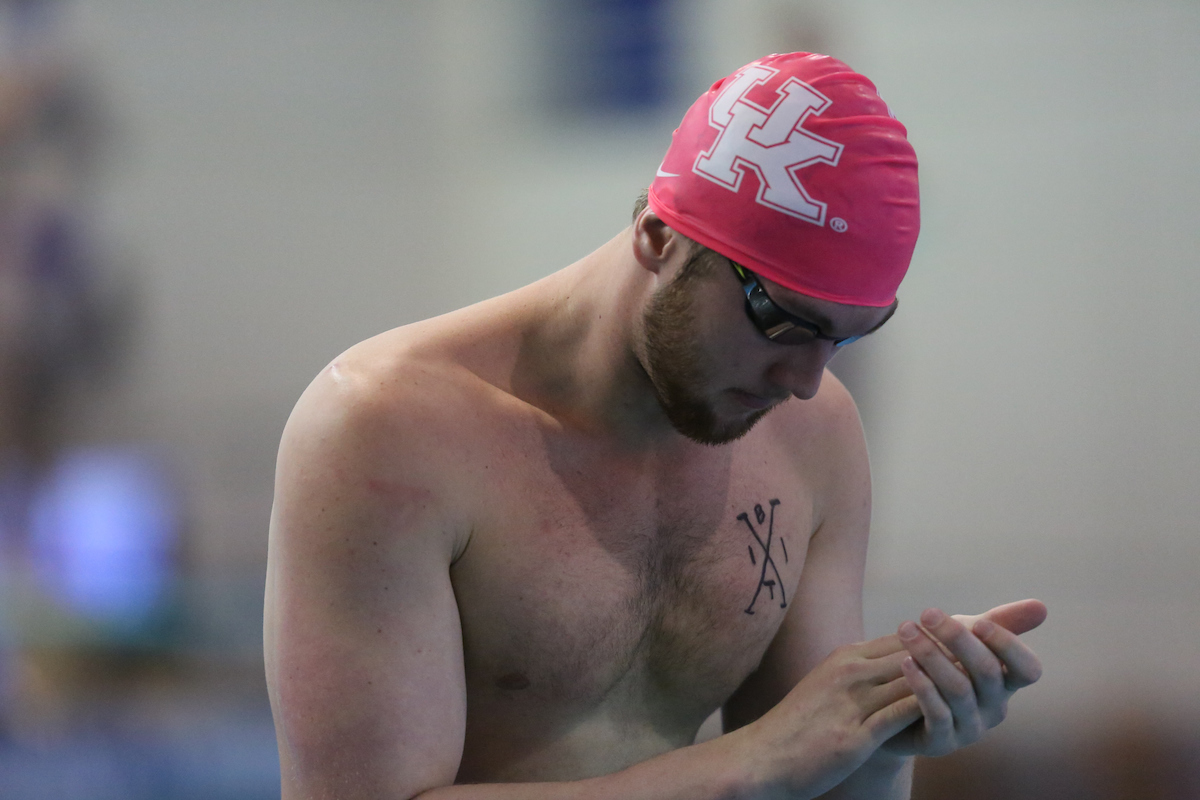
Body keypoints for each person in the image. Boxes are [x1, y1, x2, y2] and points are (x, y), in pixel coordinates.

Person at [263, 52, 1046, 800]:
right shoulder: (390, 431)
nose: (806, 382)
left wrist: (884, 738)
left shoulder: (814, 438)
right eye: (781, 322)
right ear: (659, 240)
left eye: (844, 337)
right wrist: (743, 769)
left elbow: (809, 780)